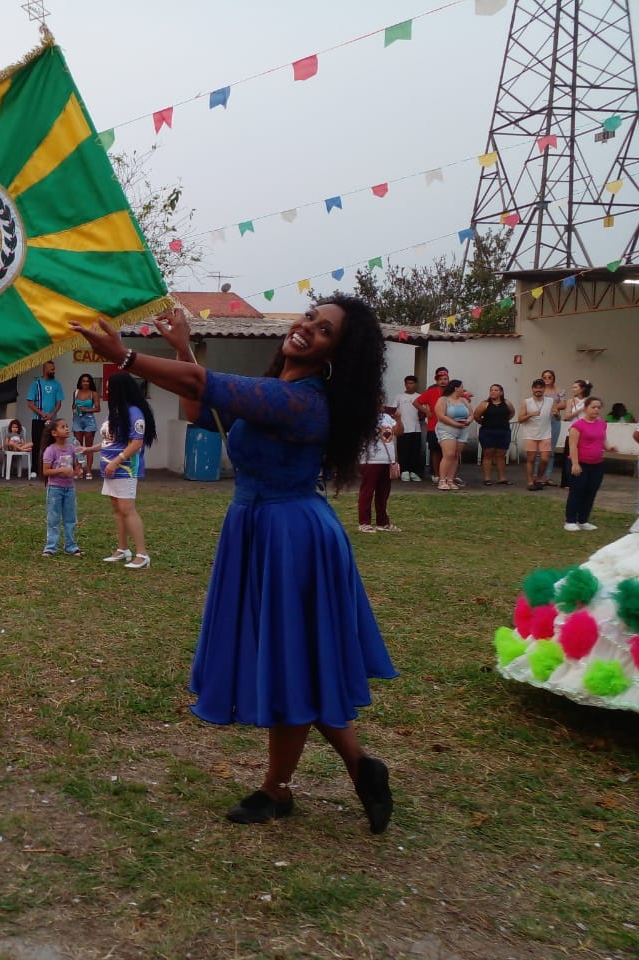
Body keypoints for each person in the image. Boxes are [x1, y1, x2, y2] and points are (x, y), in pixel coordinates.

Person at [71, 298, 397, 834]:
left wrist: (127, 357)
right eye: (308, 318)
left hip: (292, 536)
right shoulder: (276, 391)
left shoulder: (304, 402)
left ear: (336, 354)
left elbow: (205, 389)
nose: (306, 330)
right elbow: (203, 409)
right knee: (295, 661)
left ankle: (279, 789)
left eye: (323, 331)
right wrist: (181, 348)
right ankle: (357, 767)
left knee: (293, 661)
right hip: (258, 527)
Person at [96, 372, 156, 569]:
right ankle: (123, 549)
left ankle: (142, 554)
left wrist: (117, 461)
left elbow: (136, 443)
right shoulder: (114, 412)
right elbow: (110, 440)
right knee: (117, 509)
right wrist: (90, 449)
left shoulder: (135, 413)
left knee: (127, 509)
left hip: (125, 469)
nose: (106, 390)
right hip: (110, 469)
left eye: (109, 387)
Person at [564, 397, 616, 531]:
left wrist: (609, 448)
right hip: (580, 463)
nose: (597, 410)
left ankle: (583, 520)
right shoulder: (577, 426)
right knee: (577, 492)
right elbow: (573, 446)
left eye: (599, 407)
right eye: (593, 407)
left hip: (597, 464)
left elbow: (602, 440)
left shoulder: (602, 424)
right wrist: (575, 464)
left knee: (591, 492)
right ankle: (570, 521)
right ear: (586, 408)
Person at [38, 418, 88, 557]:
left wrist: (78, 470)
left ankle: (71, 546)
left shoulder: (71, 449)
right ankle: (50, 547)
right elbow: (46, 471)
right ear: (54, 433)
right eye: (62, 427)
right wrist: (61, 471)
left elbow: (75, 466)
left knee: (70, 518)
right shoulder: (50, 450)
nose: (66, 429)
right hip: (55, 489)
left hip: (69, 488)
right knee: (53, 518)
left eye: (67, 426)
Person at [357, 404, 401, 532]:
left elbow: (398, 432)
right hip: (370, 459)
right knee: (367, 491)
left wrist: (398, 420)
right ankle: (364, 522)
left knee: (383, 492)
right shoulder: (363, 416)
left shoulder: (387, 417)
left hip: (387, 459)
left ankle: (383, 522)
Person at [26, 360, 63, 476]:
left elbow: (59, 403)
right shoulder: (35, 383)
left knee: (52, 444)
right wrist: (42, 413)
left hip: (52, 420)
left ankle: (52, 468)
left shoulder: (57, 384)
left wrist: (51, 415)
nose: (53, 371)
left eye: (54, 369)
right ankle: (34, 469)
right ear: (45, 368)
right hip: (37, 419)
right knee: (37, 444)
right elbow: (30, 403)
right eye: (51, 369)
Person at [433, 380, 472, 491]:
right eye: (461, 387)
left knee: (456, 455)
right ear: (455, 388)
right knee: (449, 454)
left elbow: (471, 414)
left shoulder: (464, 400)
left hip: (462, 429)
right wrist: (455, 424)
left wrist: (468, 420)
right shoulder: (443, 400)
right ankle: (442, 480)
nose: (463, 389)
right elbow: (441, 416)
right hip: (447, 429)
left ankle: (450, 480)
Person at [518, 378, 555, 491]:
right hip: (531, 434)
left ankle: (538, 478)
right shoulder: (527, 402)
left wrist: (556, 415)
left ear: (544, 389)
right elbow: (520, 419)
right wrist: (531, 414)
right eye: (536, 387)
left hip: (545, 434)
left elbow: (556, 413)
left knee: (545, 459)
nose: (538, 390)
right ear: (532, 389)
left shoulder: (550, 401)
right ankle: (530, 481)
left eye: (541, 387)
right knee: (531, 459)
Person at [474, 383, 515, 485]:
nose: (493, 392)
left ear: (501, 392)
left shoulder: (507, 403)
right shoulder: (485, 404)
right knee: (488, 454)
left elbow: (512, 413)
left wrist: (503, 420)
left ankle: (502, 478)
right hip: (488, 432)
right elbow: (477, 416)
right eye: (491, 390)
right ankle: (487, 478)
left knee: (501, 455)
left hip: (503, 432)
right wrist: (483, 423)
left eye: (496, 390)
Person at [415, 366, 450, 483]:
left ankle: (448, 475)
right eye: (440, 379)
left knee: (448, 452)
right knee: (435, 451)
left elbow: (465, 397)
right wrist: (427, 412)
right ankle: (436, 475)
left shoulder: (452, 392)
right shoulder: (431, 392)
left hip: (450, 426)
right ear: (436, 380)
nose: (443, 381)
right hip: (433, 426)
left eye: (445, 378)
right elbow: (416, 402)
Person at [391, 375, 424, 481]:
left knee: (415, 450)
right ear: (405, 384)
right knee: (403, 450)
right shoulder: (399, 397)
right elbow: (393, 410)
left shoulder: (419, 396)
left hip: (416, 428)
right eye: (408, 383)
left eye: (412, 383)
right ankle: (404, 471)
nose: (409, 385)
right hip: (403, 428)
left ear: (416, 384)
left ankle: (413, 471)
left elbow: (423, 412)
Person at [559, 378, 591, 488]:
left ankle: (583, 480)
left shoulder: (589, 401)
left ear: (582, 389)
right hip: (573, 431)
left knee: (584, 456)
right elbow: (567, 416)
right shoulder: (570, 401)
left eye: (575, 387)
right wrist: (580, 409)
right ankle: (567, 482)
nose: (573, 389)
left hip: (586, 432)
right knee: (569, 457)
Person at [72, 374, 101, 478]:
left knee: (89, 447)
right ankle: (78, 469)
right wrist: (76, 408)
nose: (85, 383)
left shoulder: (94, 394)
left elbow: (98, 408)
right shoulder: (76, 392)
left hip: (89, 420)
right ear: (80, 382)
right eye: (83, 381)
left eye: (87, 381)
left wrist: (86, 410)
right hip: (77, 420)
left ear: (90, 383)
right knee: (77, 446)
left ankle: (88, 470)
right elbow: (73, 406)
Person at [540, 369, 565, 486]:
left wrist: (552, 407)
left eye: (549, 377)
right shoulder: (539, 390)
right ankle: (537, 475)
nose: (547, 379)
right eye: (544, 377)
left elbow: (564, 404)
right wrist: (553, 405)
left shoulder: (559, 390)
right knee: (540, 449)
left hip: (554, 420)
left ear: (553, 378)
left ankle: (548, 476)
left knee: (551, 449)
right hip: (541, 421)